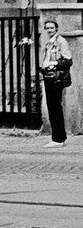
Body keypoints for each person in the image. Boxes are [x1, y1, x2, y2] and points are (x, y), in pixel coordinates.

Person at [40, 18, 72, 148]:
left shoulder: (61, 41)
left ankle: (58, 139)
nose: (49, 30)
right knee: (53, 107)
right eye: (47, 28)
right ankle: (60, 137)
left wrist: (53, 63)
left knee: (54, 107)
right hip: (49, 76)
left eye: (51, 28)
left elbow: (68, 60)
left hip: (56, 78)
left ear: (56, 29)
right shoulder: (49, 43)